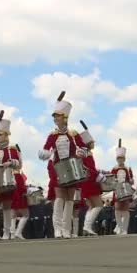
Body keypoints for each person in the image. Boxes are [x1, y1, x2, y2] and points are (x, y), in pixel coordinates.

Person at [38, 91, 88, 239]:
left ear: (64, 117)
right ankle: (57, 229)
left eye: (57, 116)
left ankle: (67, 229)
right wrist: (44, 154)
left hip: (72, 168)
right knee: (59, 197)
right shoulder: (52, 135)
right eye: (54, 116)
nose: (55, 118)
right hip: (58, 168)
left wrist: (81, 153)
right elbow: (46, 150)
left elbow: (84, 149)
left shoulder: (74, 134)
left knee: (70, 198)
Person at [0, 112, 24, 240]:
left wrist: (10, 162)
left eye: (0, 134)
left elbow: (18, 164)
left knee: (7, 207)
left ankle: (7, 232)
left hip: (7, 181)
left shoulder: (12, 149)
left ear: (6, 135)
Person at [76, 121, 107, 237]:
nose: (94, 143)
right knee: (98, 205)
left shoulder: (85, 152)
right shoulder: (87, 153)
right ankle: (87, 227)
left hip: (86, 181)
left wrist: (100, 171)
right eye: (92, 142)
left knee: (91, 206)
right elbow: (88, 168)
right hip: (91, 181)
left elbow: (90, 167)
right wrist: (98, 175)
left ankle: (86, 227)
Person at [111, 139, 135, 235]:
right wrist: (114, 182)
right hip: (117, 190)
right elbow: (111, 180)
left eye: (122, 159)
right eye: (118, 159)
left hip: (126, 190)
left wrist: (131, 181)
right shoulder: (114, 168)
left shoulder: (128, 168)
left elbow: (131, 179)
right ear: (117, 159)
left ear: (124, 159)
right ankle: (120, 227)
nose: (120, 160)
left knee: (125, 209)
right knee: (117, 209)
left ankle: (125, 228)